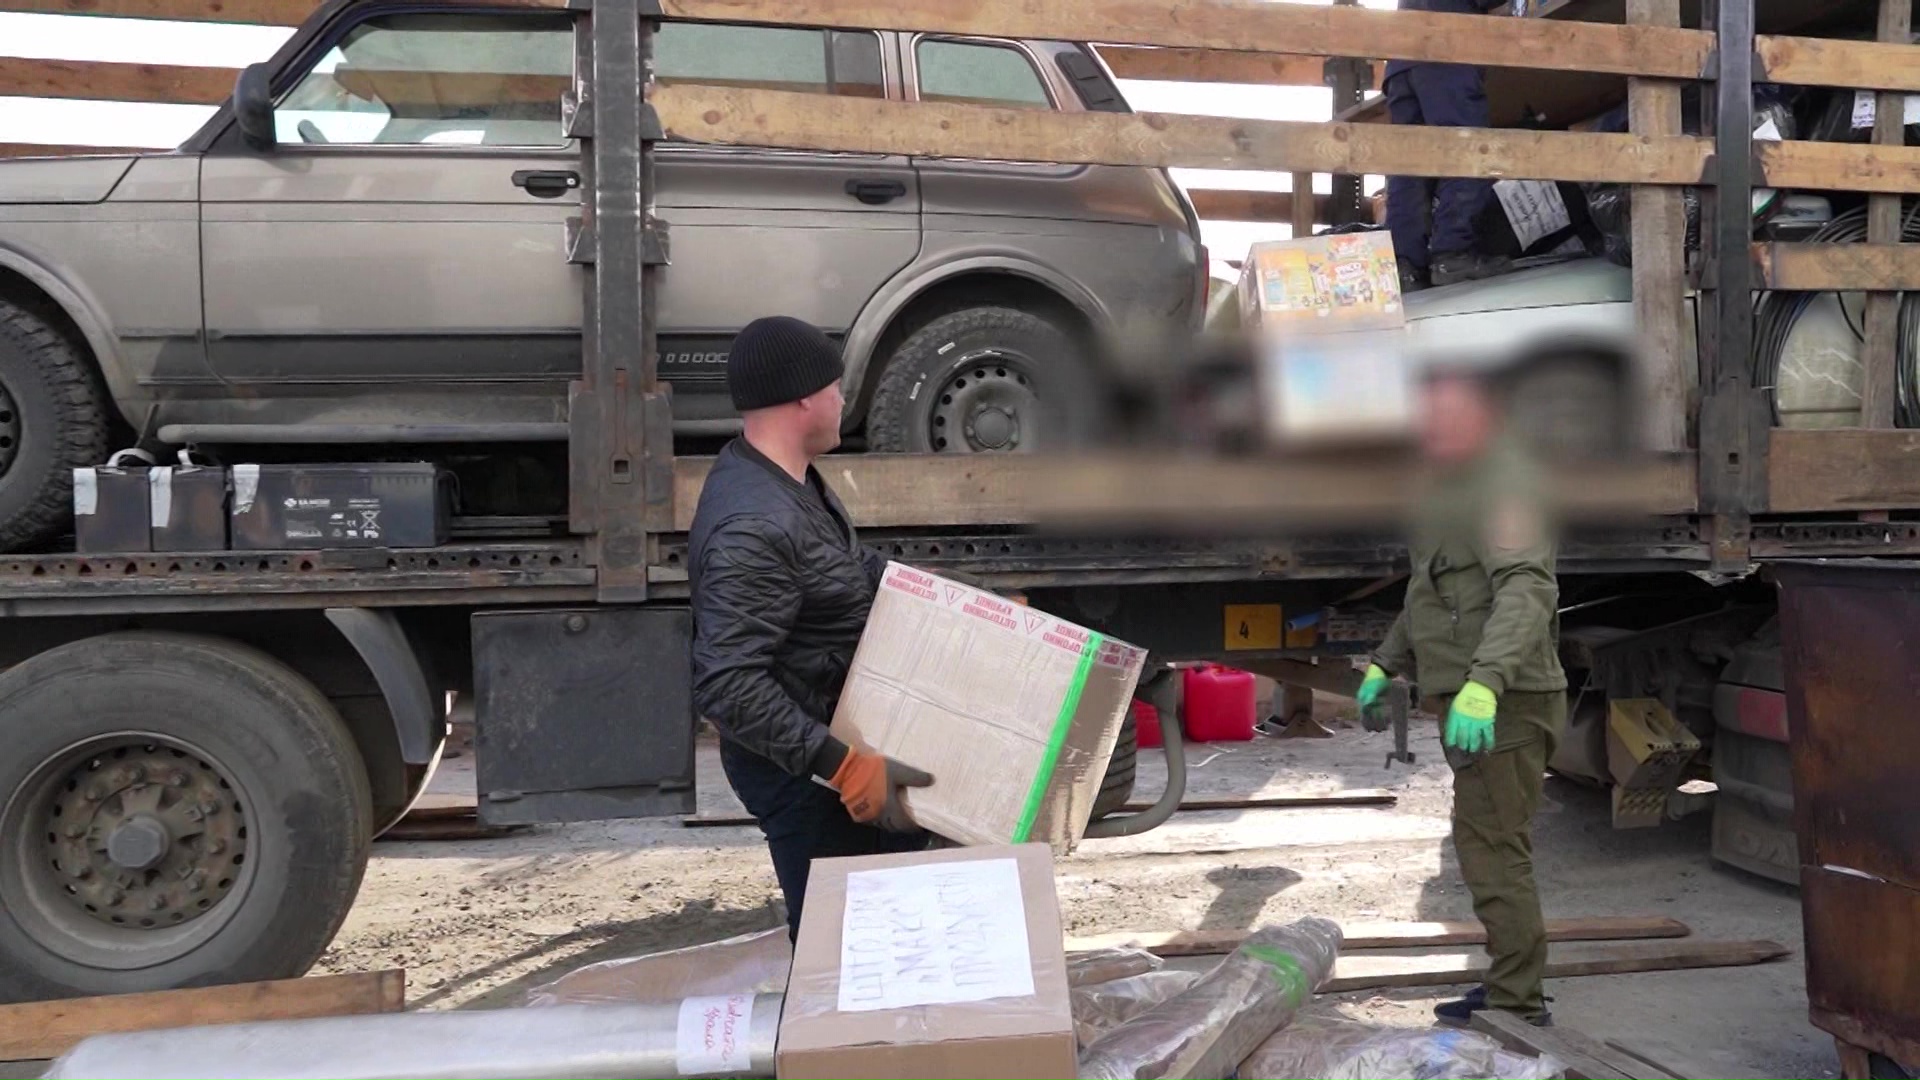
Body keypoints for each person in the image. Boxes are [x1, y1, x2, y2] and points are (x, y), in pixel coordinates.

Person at [688, 315, 932, 942]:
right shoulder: (754, 525)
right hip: (805, 773)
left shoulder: (786, 480)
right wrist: (842, 767)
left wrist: (956, 602)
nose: (843, 401)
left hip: (832, 744)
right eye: (836, 387)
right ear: (802, 398)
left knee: (885, 938)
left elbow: (842, 568)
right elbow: (728, 684)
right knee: (841, 949)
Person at [1354, 363, 1567, 1027]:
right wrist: (1385, 663)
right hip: (1481, 700)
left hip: (1507, 704)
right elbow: (1431, 592)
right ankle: (1510, 985)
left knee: (1493, 850)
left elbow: (1527, 587)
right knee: (1487, 845)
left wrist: (1485, 684)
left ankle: (1517, 1003)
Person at [1385, 0, 1514, 290]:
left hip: (1401, 60)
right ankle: (1453, 253)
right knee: (1469, 149)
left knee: (1409, 163)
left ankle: (1406, 265)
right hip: (1446, 47)